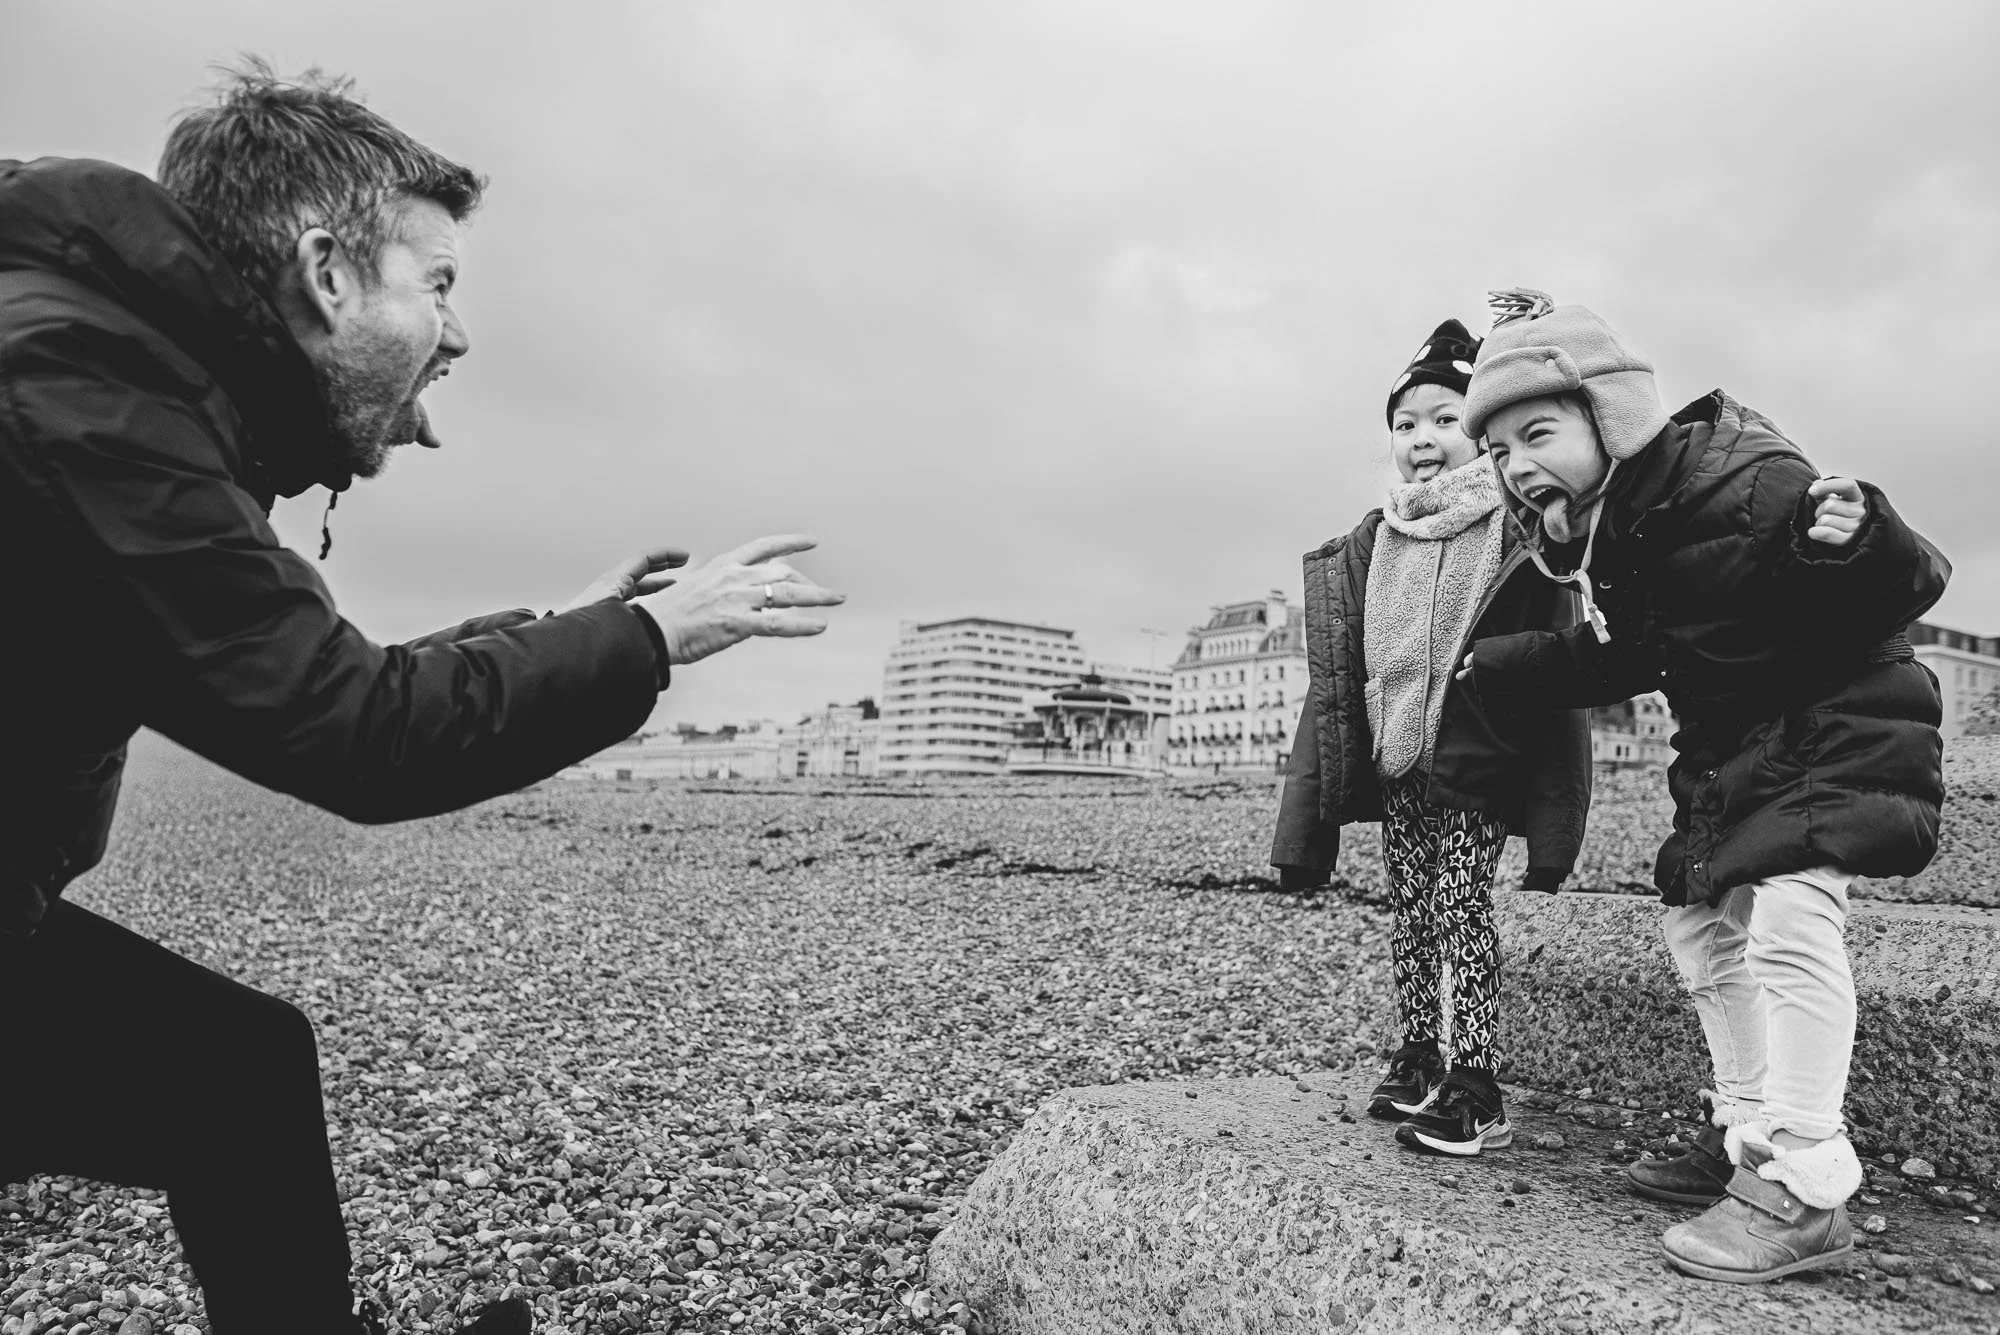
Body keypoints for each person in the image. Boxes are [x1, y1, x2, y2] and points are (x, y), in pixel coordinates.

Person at [0, 65, 844, 1334]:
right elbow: (359, 734)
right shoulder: (77, 389)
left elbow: (278, 669)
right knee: (228, 1075)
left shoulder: (108, 368)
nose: (458, 334)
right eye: (437, 284)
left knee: (233, 1075)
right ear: (328, 273)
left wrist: (578, 634)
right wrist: (649, 638)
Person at [1457, 289, 1948, 1282]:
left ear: (1613, 413)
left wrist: (1851, 538)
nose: (1515, 467)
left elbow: (1908, 583)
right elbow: (1633, 652)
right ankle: (1748, 1135)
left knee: (1791, 924)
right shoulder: (1633, 524)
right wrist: (1505, 663)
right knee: (1697, 925)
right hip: (1738, 755)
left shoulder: (1744, 476)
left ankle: (1806, 1184)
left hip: (1834, 730)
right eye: (1500, 451)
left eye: (1536, 432)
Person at [1269, 319, 1591, 1156]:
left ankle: (1476, 1081)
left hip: (1477, 755)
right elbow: (1340, 676)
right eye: (1406, 425)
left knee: (1462, 907)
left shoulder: (1512, 523)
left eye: (1445, 419)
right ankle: (1419, 1052)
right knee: (1411, 912)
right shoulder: (1378, 537)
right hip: (1399, 755)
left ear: (1480, 431)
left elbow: (1561, 657)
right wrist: (1307, 822)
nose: (1423, 439)